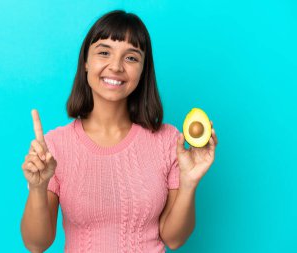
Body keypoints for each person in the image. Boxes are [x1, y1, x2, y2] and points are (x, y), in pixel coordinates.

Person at [20, 10, 218, 253]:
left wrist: (188, 183)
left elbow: (174, 239)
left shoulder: (167, 141)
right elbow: (36, 244)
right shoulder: (55, 145)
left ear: (144, 69)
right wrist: (39, 189)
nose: (115, 66)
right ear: (86, 61)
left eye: (131, 58)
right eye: (104, 52)